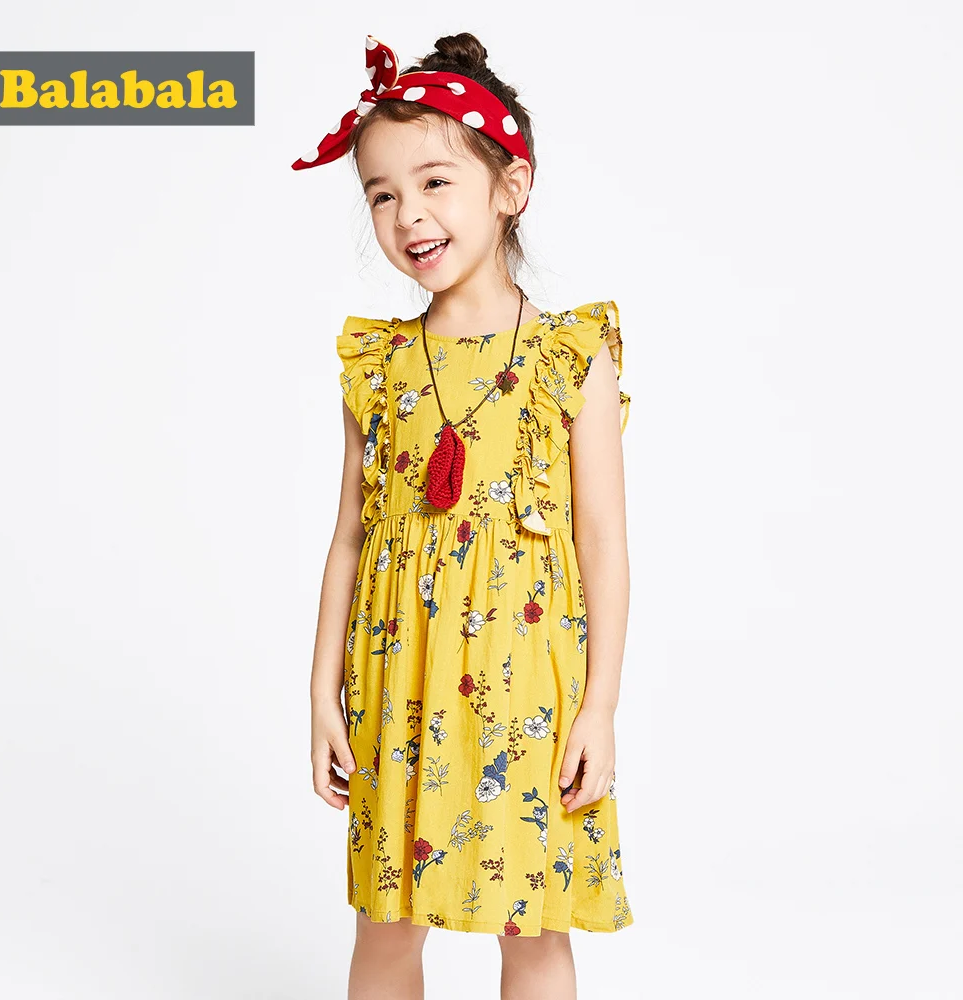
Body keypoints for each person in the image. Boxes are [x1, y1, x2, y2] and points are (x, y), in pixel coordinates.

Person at [294, 30, 634, 1000]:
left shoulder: (570, 356)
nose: (408, 214)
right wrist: (321, 693)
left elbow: (603, 544)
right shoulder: (379, 365)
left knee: (533, 931)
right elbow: (350, 538)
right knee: (386, 925)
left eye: (435, 182)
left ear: (509, 187)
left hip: (530, 691)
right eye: (381, 194)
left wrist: (600, 707)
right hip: (399, 682)